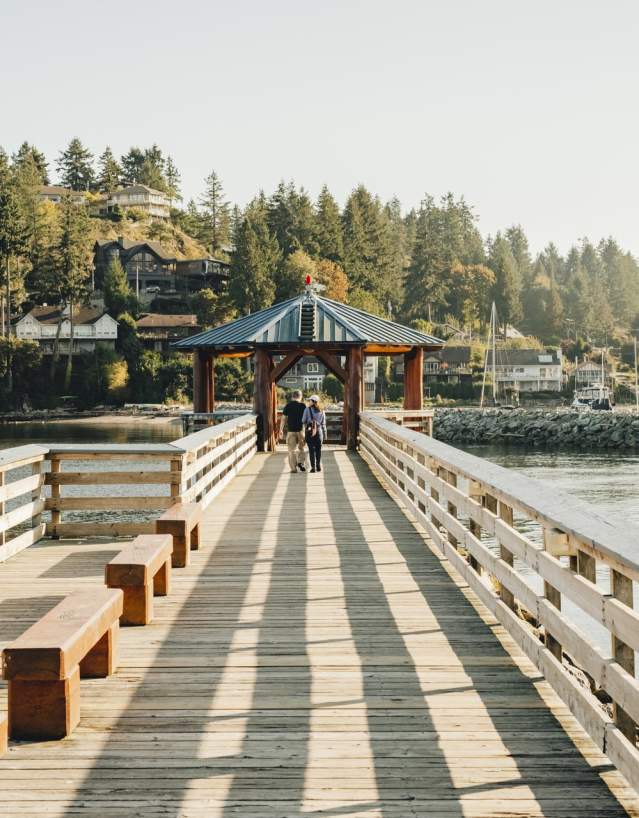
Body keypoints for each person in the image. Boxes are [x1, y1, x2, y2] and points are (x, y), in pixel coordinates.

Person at [280, 390, 308, 473]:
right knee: (301, 448)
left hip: (291, 431)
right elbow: (306, 419)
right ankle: (301, 462)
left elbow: (283, 419)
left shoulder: (288, 405)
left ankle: (293, 469)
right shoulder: (303, 406)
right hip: (300, 430)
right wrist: (307, 430)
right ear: (300, 396)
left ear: (292, 396)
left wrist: (281, 429)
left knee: (291, 450)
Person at [302, 395, 328, 473]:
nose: (309, 402)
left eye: (310, 400)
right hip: (319, 432)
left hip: (310, 432)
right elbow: (323, 423)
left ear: (313, 402)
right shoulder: (322, 410)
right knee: (318, 450)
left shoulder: (307, 409)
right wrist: (325, 434)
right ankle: (318, 466)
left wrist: (308, 422)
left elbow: (303, 420)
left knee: (311, 450)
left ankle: (313, 467)